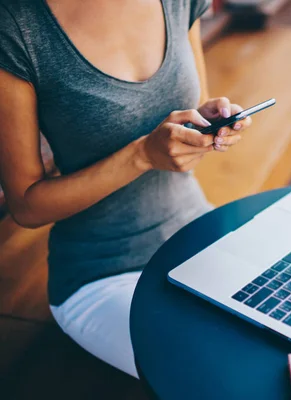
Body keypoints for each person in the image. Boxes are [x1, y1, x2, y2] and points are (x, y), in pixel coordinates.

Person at [0, 0, 250, 378]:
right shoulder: (17, 25)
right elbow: (25, 205)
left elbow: (191, 111)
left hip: (196, 231)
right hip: (103, 274)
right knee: (213, 374)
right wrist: (141, 155)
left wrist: (207, 125)